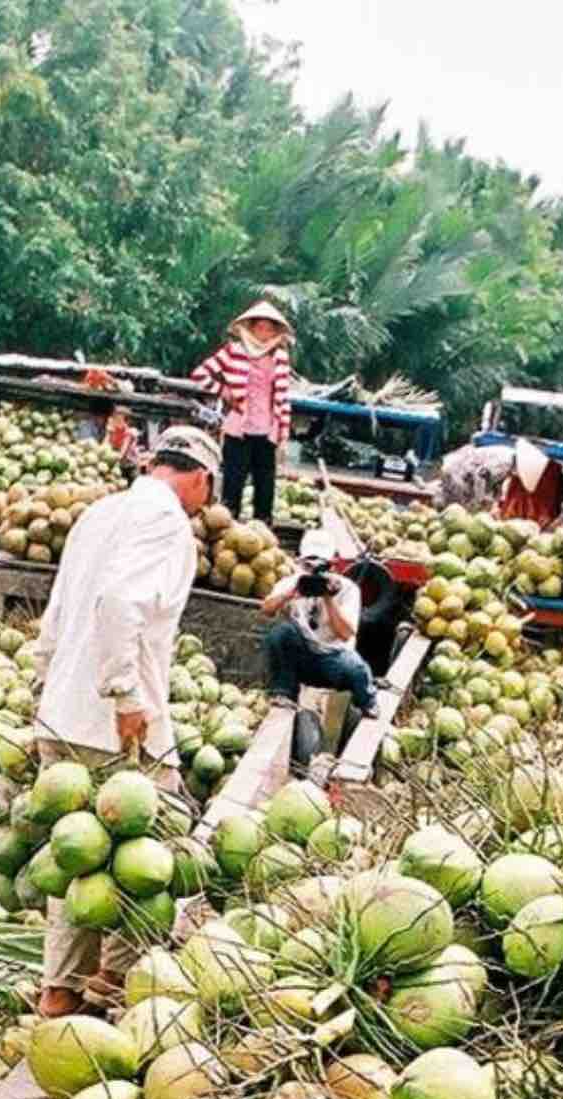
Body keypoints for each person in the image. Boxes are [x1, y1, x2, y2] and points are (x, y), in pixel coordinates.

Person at [26, 426, 220, 1018]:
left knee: (78, 862)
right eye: (208, 492)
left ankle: (60, 992)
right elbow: (118, 602)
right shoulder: (167, 523)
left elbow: (57, 612)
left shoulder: (101, 513)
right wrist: (125, 693)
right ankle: (113, 986)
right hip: (116, 724)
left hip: (63, 714)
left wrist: (44, 684)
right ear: (200, 477)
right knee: (145, 862)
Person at [258, 527, 378, 774]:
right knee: (280, 634)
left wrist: (328, 598)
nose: (315, 573)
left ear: (333, 564)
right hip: (303, 657)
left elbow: (346, 633)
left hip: (332, 659)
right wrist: (293, 593)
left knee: (357, 669)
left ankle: (367, 702)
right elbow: (266, 610)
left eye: (322, 567)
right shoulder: (293, 583)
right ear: (301, 563)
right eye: (310, 566)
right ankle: (284, 694)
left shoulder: (347, 590)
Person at [190, 300, 294, 522]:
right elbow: (200, 375)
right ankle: (226, 526)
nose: (264, 334)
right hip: (239, 430)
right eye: (260, 327)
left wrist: (283, 434)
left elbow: (283, 398)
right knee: (233, 483)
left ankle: (263, 529)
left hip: (267, 431)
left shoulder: (280, 357)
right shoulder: (234, 351)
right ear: (250, 328)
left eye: (269, 329)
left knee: (265, 485)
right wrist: (224, 391)